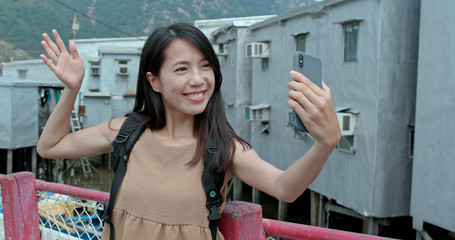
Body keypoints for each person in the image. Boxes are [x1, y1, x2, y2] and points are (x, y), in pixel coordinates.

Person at [37, 23, 341, 240]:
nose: (198, 80)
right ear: (154, 81)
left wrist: (326, 142)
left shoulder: (223, 148)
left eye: (205, 66)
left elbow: (285, 188)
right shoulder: (126, 132)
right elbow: (51, 147)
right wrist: (72, 89)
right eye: (181, 69)